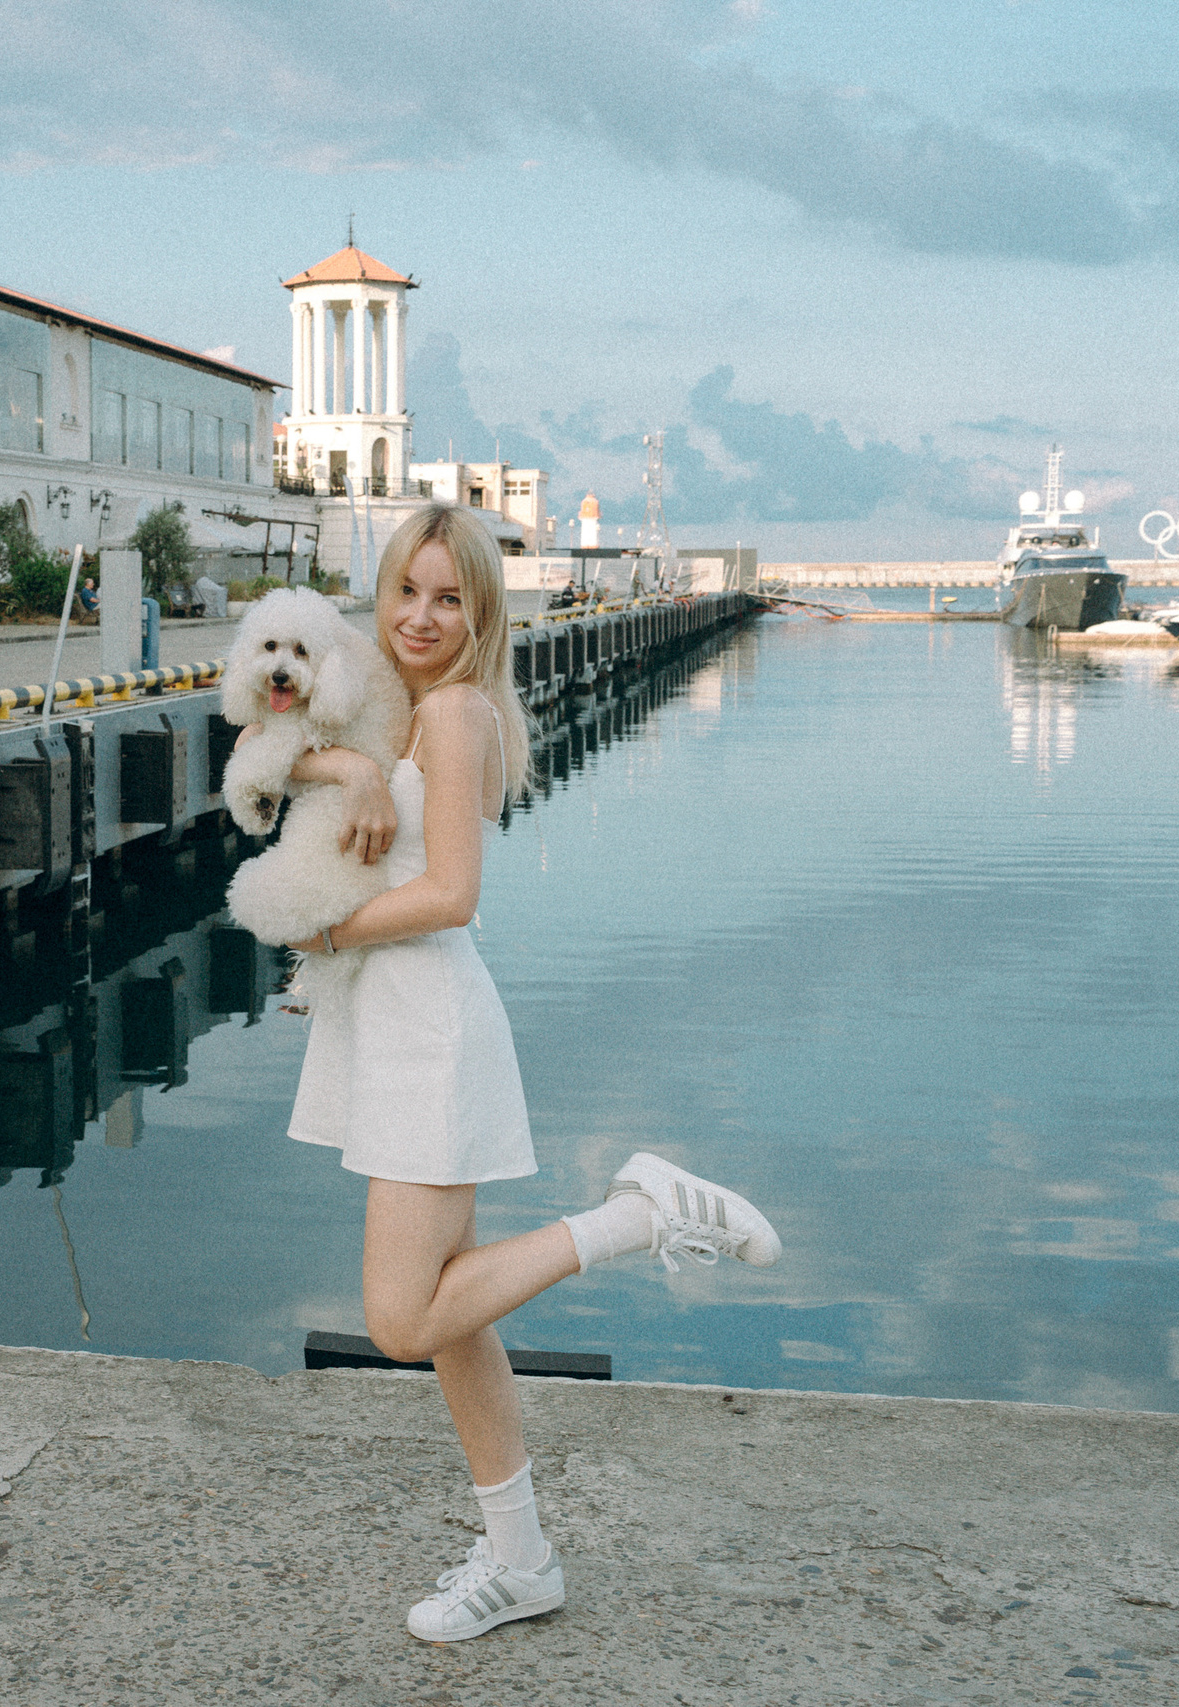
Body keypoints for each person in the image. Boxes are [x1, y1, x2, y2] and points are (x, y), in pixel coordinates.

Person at [278, 504, 782, 1643]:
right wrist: (350, 764)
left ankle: (635, 1218)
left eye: (448, 598)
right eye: (405, 589)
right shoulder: (401, 705)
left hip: (425, 1028)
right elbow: (256, 741)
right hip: (394, 1027)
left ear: (483, 613)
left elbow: (451, 894)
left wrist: (323, 926)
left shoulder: (453, 713)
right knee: (458, 1320)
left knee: (405, 1319)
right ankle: (520, 1562)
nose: (419, 615)